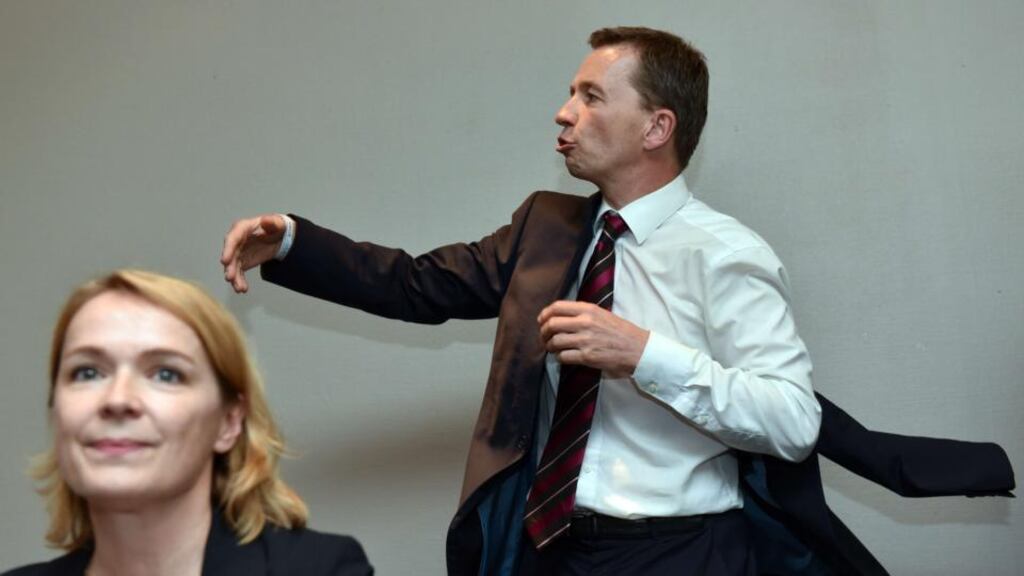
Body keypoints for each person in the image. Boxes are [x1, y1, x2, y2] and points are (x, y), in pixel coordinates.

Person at [220, 27, 1014, 576]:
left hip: (683, 554)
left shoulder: (727, 254)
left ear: (656, 127)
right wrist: (293, 241)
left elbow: (791, 419)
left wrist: (644, 356)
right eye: (571, 93)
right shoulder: (546, 228)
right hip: (545, 548)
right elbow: (415, 284)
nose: (565, 112)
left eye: (592, 96)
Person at [4, 270, 373, 576]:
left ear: (228, 422)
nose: (117, 400)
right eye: (87, 372)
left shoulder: (321, 569)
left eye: (166, 374)